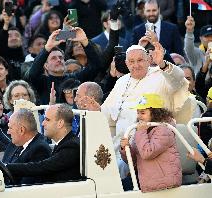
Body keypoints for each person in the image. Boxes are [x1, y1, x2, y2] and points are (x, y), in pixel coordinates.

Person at [101, 43, 189, 179]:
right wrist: (95, 111)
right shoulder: (121, 81)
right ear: (126, 63)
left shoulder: (160, 75)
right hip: (121, 147)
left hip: (149, 146)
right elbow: (107, 114)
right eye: (131, 61)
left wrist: (163, 63)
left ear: (149, 60)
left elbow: (179, 79)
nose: (136, 65)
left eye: (140, 60)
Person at [0, 104, 81, 183]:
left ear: (60, 123)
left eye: (47, 120)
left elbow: (42, 167)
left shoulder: (71, 146)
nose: (43, 123)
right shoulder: (64, 143)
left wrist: (6, 167)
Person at [120, 93, 182, 192]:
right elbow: (134, 161)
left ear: (155, 113)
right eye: (138, 112)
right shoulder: (144, 130)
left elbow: (147, 153)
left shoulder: (164, 130)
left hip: (162, 180)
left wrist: (140, 132)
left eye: (143, 113)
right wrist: (126, 148)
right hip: (148, 178)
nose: (139, 116)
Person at [27, 28, 101, 105]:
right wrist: (48, 47)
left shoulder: (76, 78)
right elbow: (33, 73)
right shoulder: (42, 82)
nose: (59, 60)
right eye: (53, 58)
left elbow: (96, 66)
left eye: (61, 57)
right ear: (46, 66)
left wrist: (85, 42)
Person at [1, 108, 51, 184]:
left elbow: (26, 186)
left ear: (21, 130)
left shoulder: (40, 150)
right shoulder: (14, 143)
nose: (8, 132)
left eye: (10, 128)